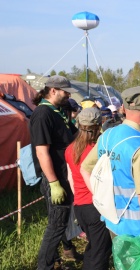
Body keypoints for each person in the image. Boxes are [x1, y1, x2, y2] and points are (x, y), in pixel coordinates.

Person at [81, 86, 140, 237]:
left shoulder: (106, 135)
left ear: (123, 108)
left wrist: (99, 197)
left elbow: (85, 169)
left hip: (112, 222)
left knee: (121, 261)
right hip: (139, 230)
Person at [30, 75, 82, 269]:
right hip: (56, 178)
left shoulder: (57, 112)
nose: (68, 96)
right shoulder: (43, 114)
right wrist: (53, 183)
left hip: (64, 175)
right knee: (56, 225)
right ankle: (44, 266)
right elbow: (42, 152)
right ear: (52, 90)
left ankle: (57, 260)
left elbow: (73, 137)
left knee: (60, 223)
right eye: (65, 92)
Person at [65, 108, 112, 270]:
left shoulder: (70, 149)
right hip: (96, 206)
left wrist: (78, 196)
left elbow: (70, 178)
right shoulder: (98, 149)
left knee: (94, 248)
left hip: (80, 206)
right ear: (99, 125)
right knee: (100, 253)